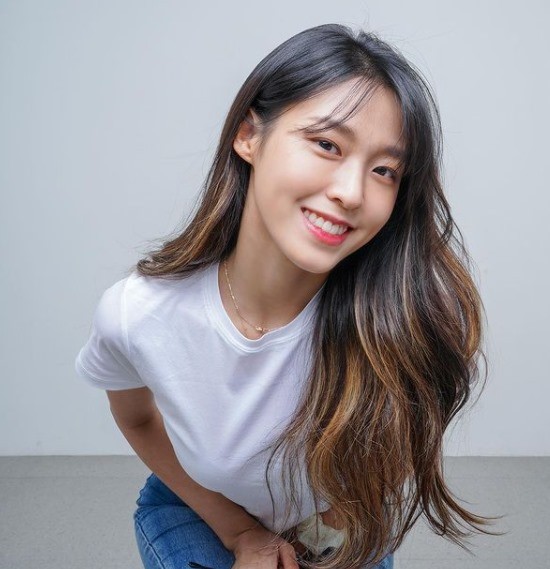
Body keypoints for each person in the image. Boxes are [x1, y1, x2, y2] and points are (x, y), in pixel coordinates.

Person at [74, 23, 502, 569]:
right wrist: (239, 533)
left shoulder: (404, 316)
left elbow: (389, 459)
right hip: (199, 506)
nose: (351, 192)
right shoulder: (138, 314)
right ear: (249, 136)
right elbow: (136, 420)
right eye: (327, 144)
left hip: (334, 518)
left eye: (384, 170)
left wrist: (328, 533)